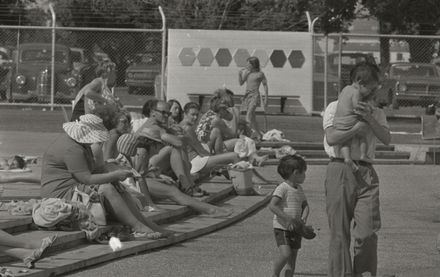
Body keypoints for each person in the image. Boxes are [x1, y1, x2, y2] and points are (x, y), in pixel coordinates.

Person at [40, 113, 172, 239]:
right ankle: (137, 226)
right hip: (60, 194)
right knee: (107, 188)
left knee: (117, 186)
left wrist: (113, 175)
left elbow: (93, 171)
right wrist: (115, 174)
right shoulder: (72, 149)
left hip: (72, 187)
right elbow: (87, 179)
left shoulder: (79, 145)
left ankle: (145, 223)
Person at [323, 62, 391, 277]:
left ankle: (363, 272)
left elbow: (387, 139)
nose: (374, 91)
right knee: (339, 233)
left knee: (367, 231)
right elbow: (332, 138)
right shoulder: (335, 107)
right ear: (360, 83)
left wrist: (369, 118)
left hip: (366, 171)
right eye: (372, 87)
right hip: (340, 168)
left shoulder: (377, 112)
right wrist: (355, 128)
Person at [113, 133, 232, 218]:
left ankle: (209, 209)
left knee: (172, 189)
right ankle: (210, 210)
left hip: (136, 182)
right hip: (135, 183)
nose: (162, 147)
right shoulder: (143, 152)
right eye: (161, 144)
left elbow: (140, 173)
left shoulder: (140, 152)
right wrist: (150, 204)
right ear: (154, 144)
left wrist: (159, 177)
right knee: (172, 191)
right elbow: (138, 176)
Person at [135, 99, 199, 196]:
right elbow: (178, 143)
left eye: (168, 113)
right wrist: (177, 134)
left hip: (149, 163)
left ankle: (188, 183)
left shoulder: (159, 126)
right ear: (153, 112)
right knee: (173, 149)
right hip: (142, 166)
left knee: (181, 155)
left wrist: (171, 130)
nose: (166, 116)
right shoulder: (154, 127)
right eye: (163, 113)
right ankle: (186, 185)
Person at [268, 155, 315, 277]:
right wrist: (288, 219)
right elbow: (272, 206)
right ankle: (275, 274)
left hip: (296, 228)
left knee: (292, 258)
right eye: (303, 173)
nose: (305, 175)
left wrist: (303, 219)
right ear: (295, 173)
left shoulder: (299, 189)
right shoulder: (282, 188)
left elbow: (305, 206)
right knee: (286, 254)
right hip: (282, 227)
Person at [332, 65, 380, 171]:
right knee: (362, 136)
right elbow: (357, 106)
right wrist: (368, 109)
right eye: (369, 89)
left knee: (345, 141)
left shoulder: (345, 89)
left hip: (339, 122)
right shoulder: (356, 91)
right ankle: (363, 155)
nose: (370, 92)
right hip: (349, 121)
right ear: (360, 82)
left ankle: (347, 158)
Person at [179, 102, 240, 179]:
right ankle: (241, 187)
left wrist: (218, 159)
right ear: (185, 114)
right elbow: (201, 151)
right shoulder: (188, 129)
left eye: (197, 115)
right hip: (197, 163)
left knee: (216, 131)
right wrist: (218, 161)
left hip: (194, 160)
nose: (195, 117)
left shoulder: (181, 125)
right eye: (192, 114)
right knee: (235, 156)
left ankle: (234, 180)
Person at [195, 89, 240, 154]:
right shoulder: (217, 120)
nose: (227, 112)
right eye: (226, 109)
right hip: (206, 150)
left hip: (201, 146)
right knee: (239, 142)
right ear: (221, 109)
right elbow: (233, 134)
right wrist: (235, 115)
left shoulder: (207, 114)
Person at [238, 56, 269, 140]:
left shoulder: (260, 74)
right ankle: (259, 134)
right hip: (247, 96)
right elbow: (241, 83)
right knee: (253, 118)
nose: (246, 65)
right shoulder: (248, 73)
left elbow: (265, 86)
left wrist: (266, 98)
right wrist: (239, 74)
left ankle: (247, 134)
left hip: (255, 96)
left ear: (253, 64)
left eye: (248, 64)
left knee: (248, 115)